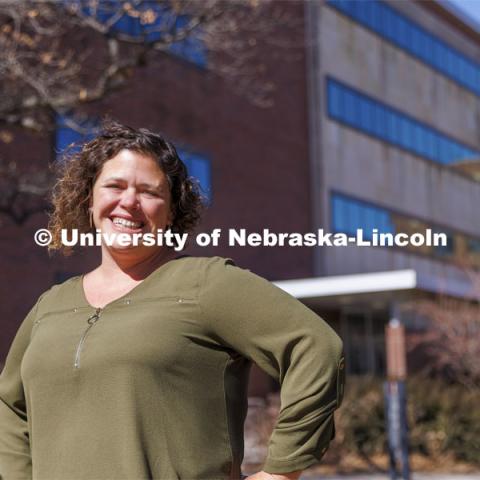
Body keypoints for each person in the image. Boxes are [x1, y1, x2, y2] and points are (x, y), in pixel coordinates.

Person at [0, 121, 345, 480]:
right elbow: (10, 403)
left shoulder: (207, 283)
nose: (129, 202)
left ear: (172, 212)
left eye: (149, 192)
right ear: (89, 199)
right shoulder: (50, 304)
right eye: (114, 186)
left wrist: (280, 472)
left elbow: (316, 347)